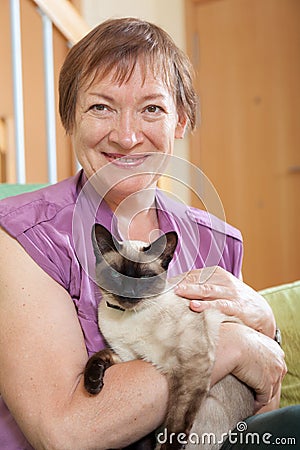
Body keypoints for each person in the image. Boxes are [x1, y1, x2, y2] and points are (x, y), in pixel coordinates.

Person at [0, 17, 294, 450]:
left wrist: (265, 332)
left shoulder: (219, 240)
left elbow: (256, 406)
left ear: (181, 121)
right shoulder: (24, 236)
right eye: (101, 107)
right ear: (70, 118)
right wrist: (229, 345)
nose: (127, 135)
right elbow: (66, 432)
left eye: (152, 108)